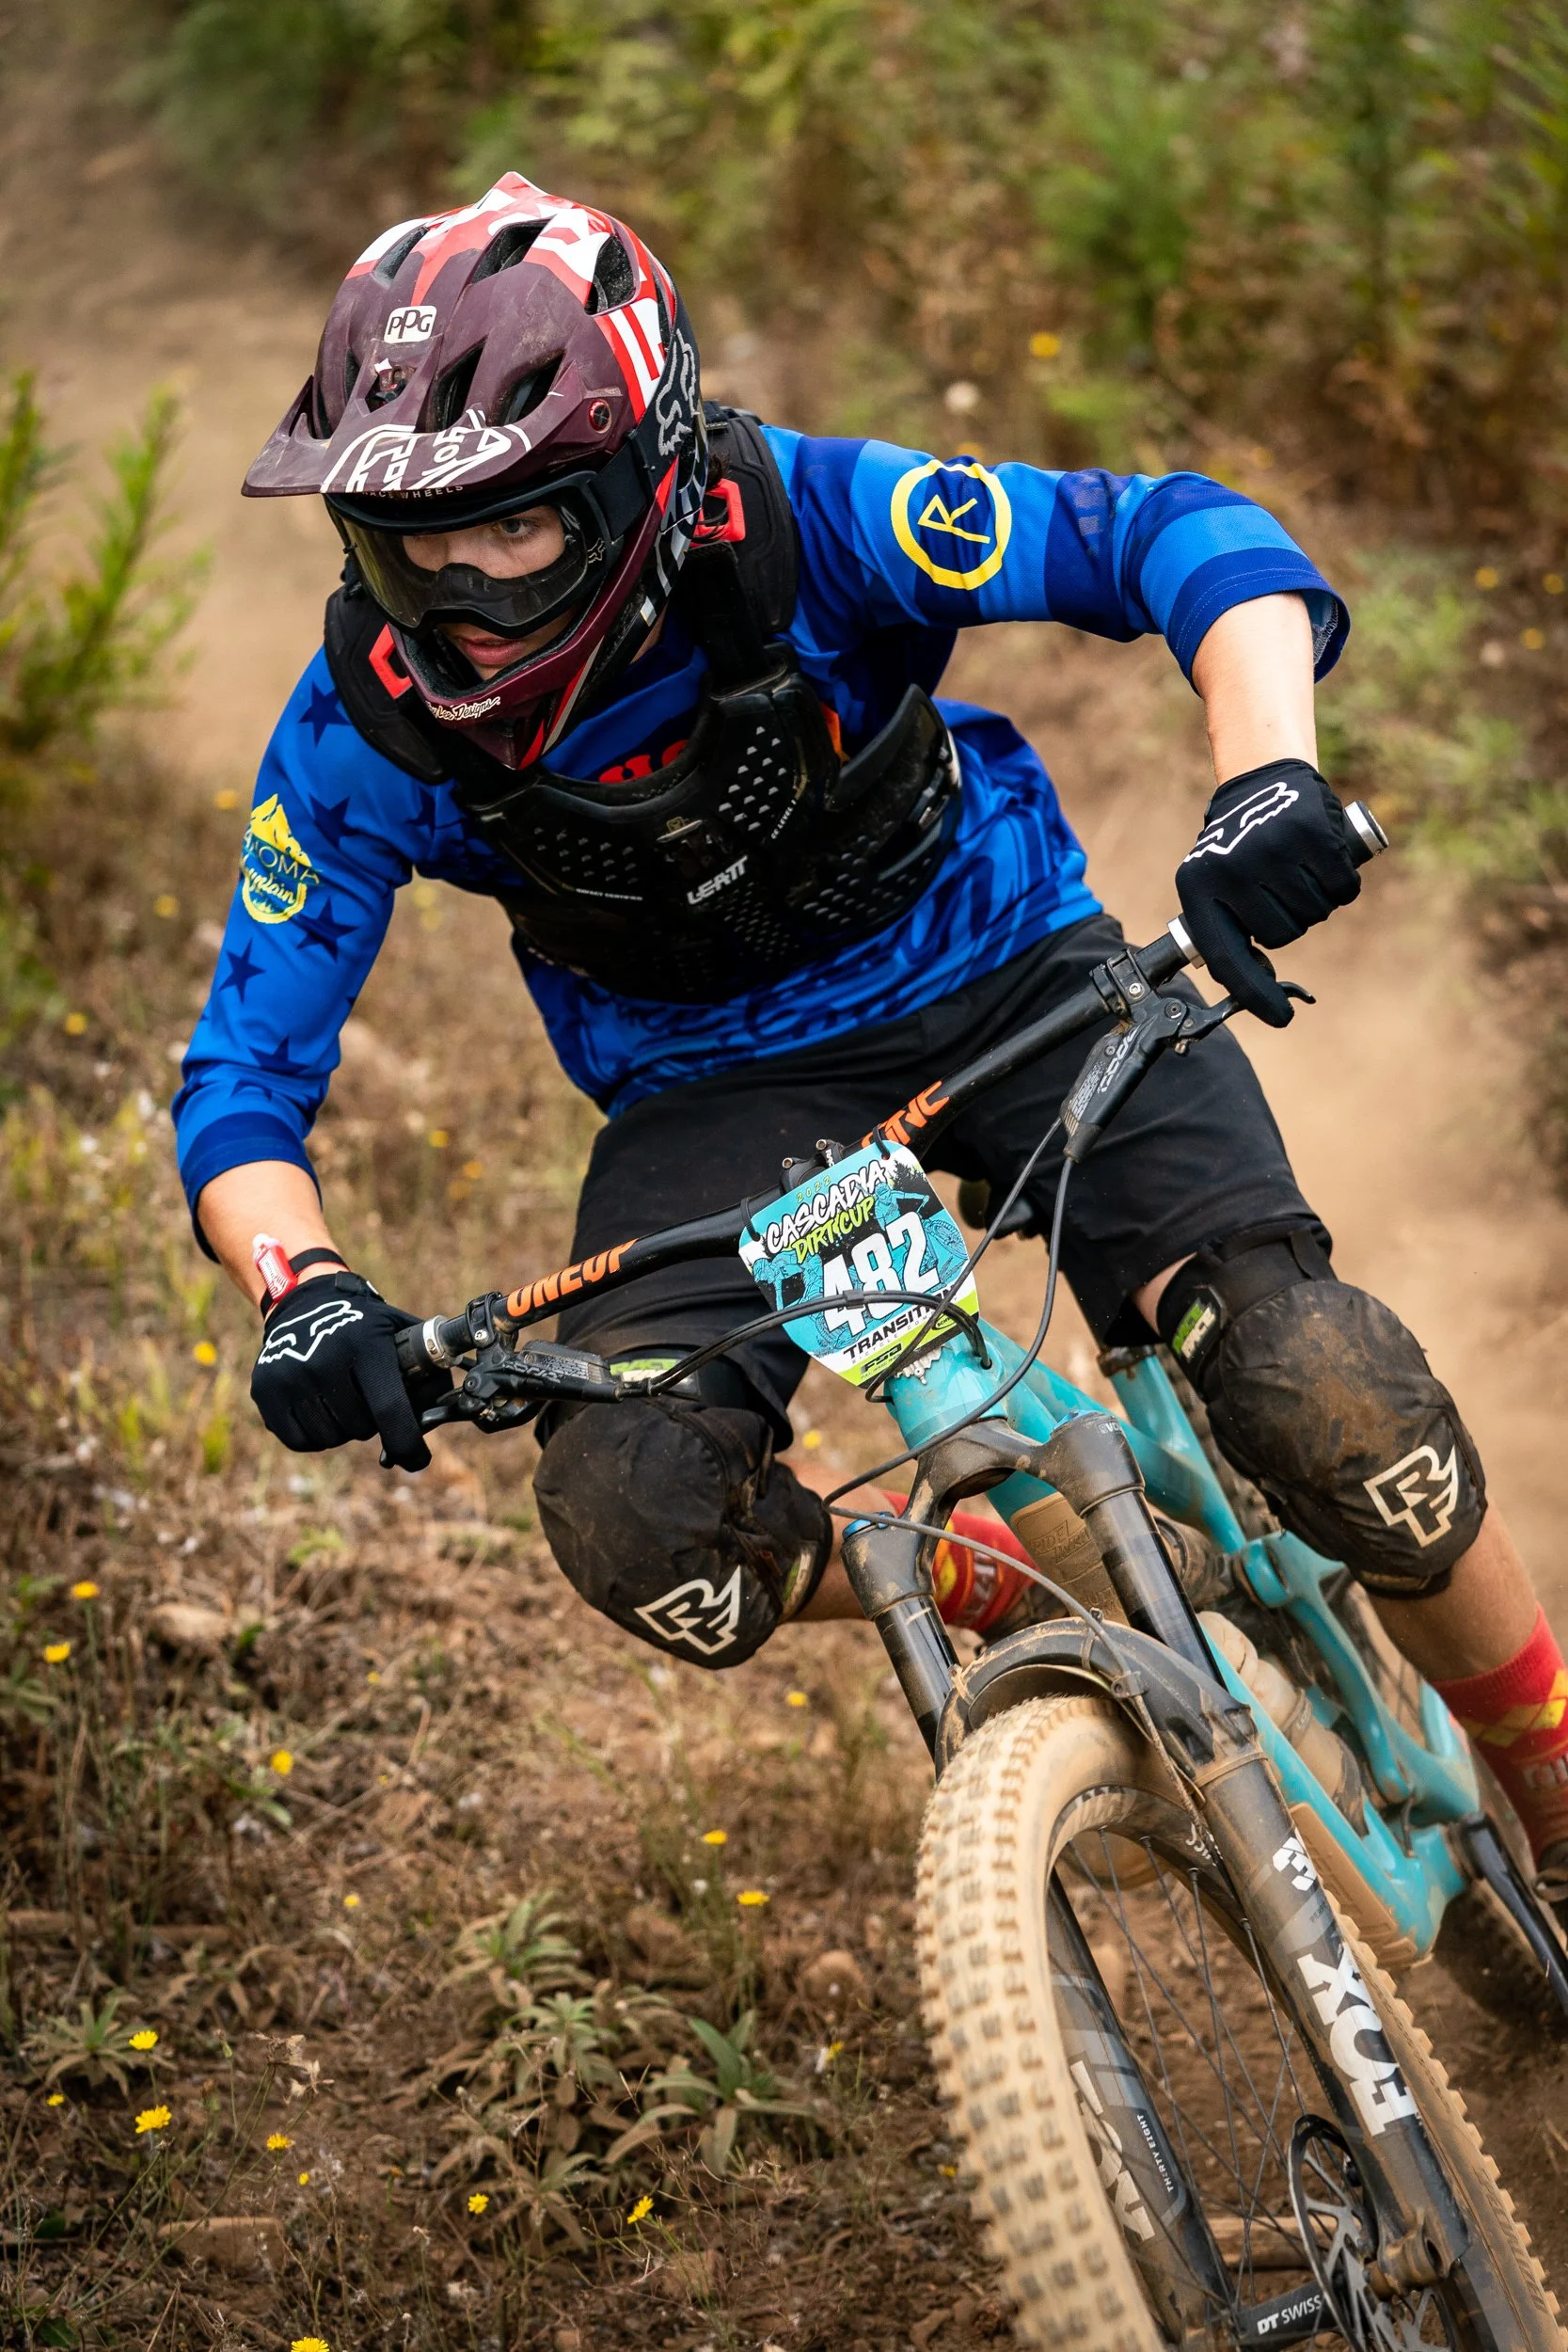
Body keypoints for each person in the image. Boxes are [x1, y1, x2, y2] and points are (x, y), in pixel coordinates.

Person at [176, 173, 1568, 1879]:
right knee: (638, 1524)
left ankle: (1554, 1793)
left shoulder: (807, 520)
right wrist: (301, 1293)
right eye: (413, 543)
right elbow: (246, 1080)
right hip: (713, 1098)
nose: (459, 595)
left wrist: (1264, 773)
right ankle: (1012, 1588)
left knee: (1327, 1392)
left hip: (1013, 976)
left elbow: (1173, 534)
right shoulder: (363, 732)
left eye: (517, 525)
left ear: (643, 478)